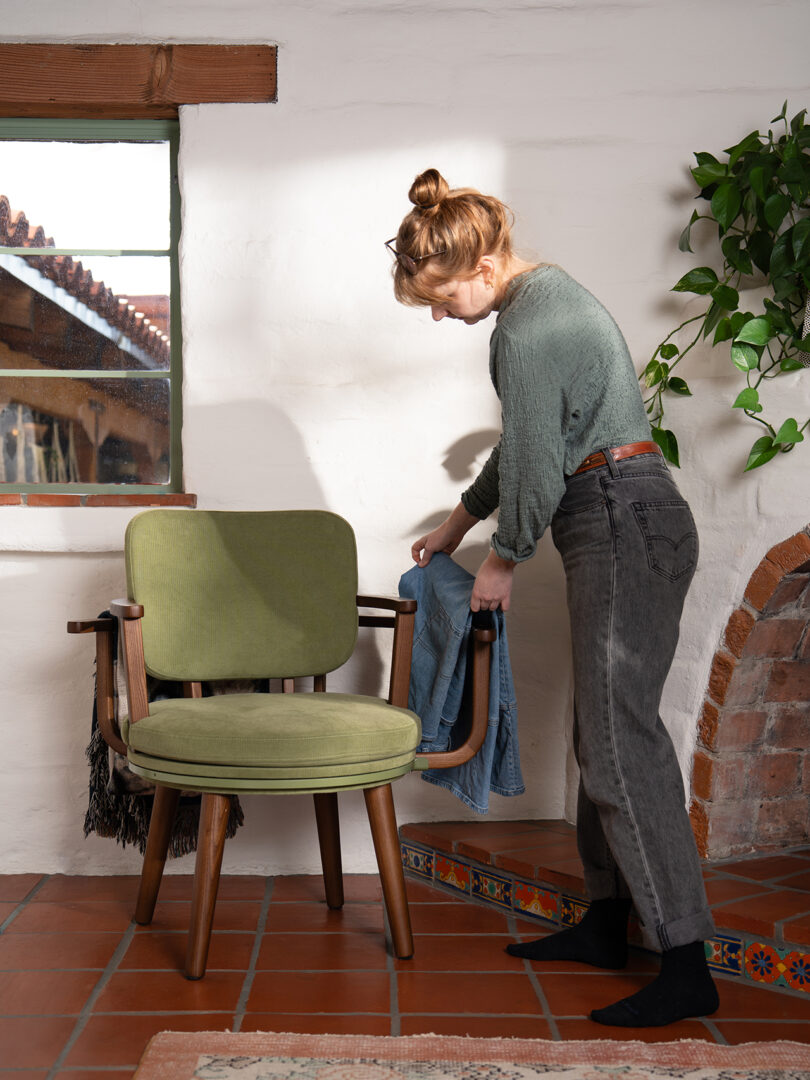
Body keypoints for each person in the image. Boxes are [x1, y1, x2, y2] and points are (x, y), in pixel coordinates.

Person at [386, 168, 719, 1028]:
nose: (437, 314)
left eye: (439, 295)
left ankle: (687, 963)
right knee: (597, 733)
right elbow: (527, 446)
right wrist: (460, 521)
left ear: (483, 266)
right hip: (625, 512)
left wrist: (503, 558)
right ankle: (609, 920)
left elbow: (536, 466)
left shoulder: (525, 331)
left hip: (618, 518)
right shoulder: (546, 303)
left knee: (620, 742)